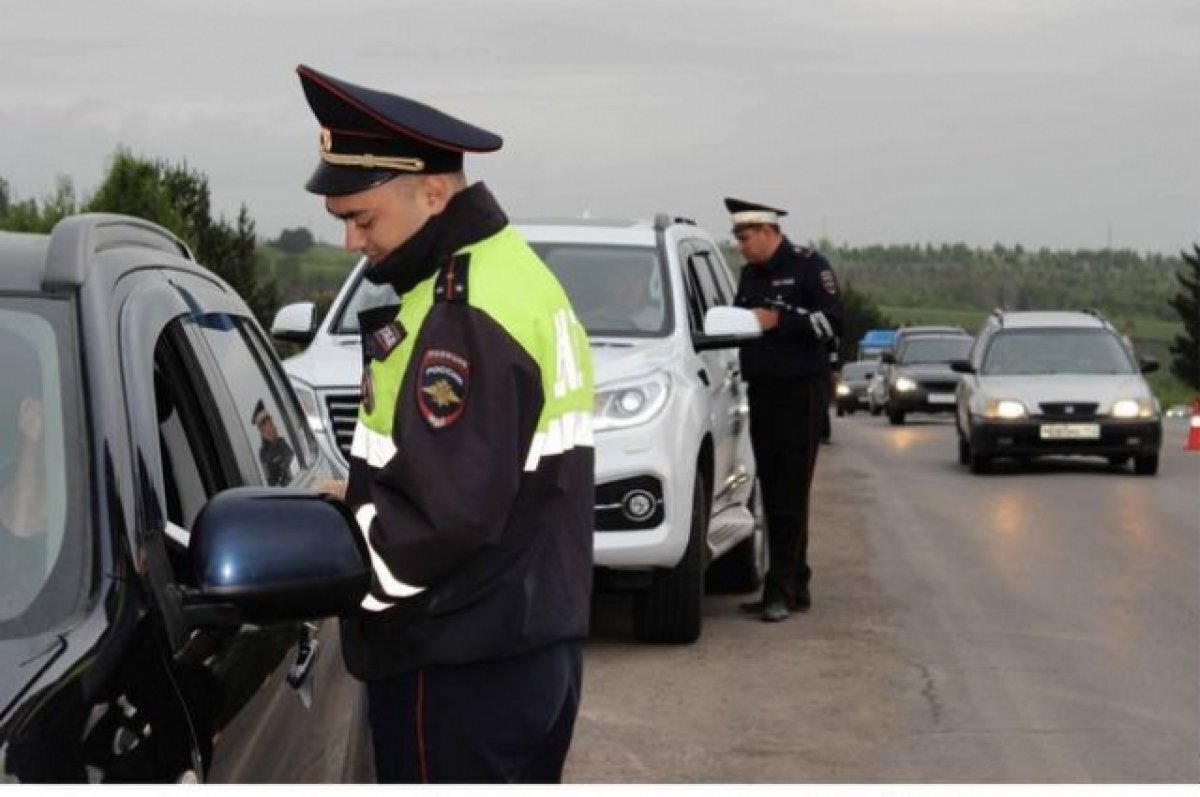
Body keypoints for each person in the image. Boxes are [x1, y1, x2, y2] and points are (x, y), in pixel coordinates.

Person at [295, 65, 595, 783]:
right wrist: (359, 496)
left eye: (362, 219)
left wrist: (329, 567)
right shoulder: (512, 275)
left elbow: (442, 520)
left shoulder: (461, 312)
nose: (351, 243)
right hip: (524, 647)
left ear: (432, 193)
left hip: (456, 666)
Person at [725, 197, 843, 623]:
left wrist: (779, 320)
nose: (740, 245)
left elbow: (832, 323)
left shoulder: (809, 267)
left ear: (768, 231)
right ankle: (796, 582)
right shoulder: (750, 275)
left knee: (790, 492)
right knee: (773, 489)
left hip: (799, 392)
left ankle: (781, 590)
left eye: (745, 237)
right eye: (737, 238)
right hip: (763, 390)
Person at [251, 400, 294, 487]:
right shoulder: (264, 453)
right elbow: (272, 482)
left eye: (272, 423)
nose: (274, 427)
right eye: (270, 424)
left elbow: (293, 461)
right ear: (262, 430)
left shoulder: (281, 442)